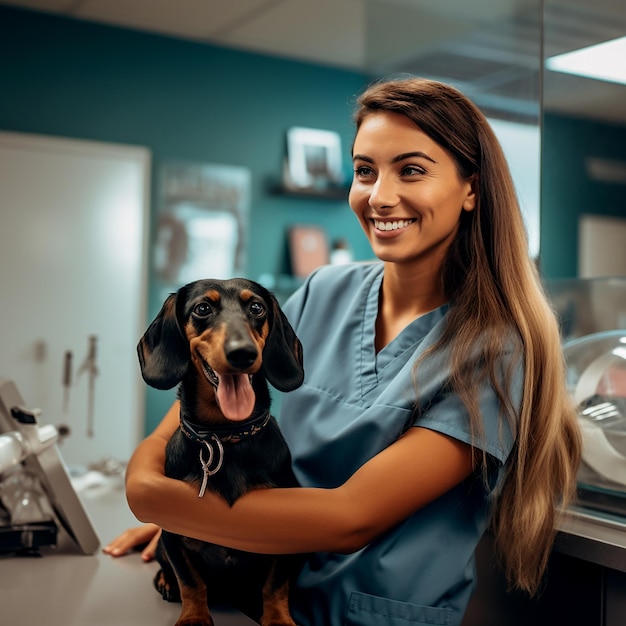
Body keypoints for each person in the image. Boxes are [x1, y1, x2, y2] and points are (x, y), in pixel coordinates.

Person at [105, 77, 582, 625]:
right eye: (364, 170)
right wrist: (197, 527)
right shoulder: (323, 291)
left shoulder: (492, 352)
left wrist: (164, 503)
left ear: (470, 188)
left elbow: (350, 517)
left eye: (411, 170)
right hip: (263, 600)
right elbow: (185, 426)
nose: (379, 196)